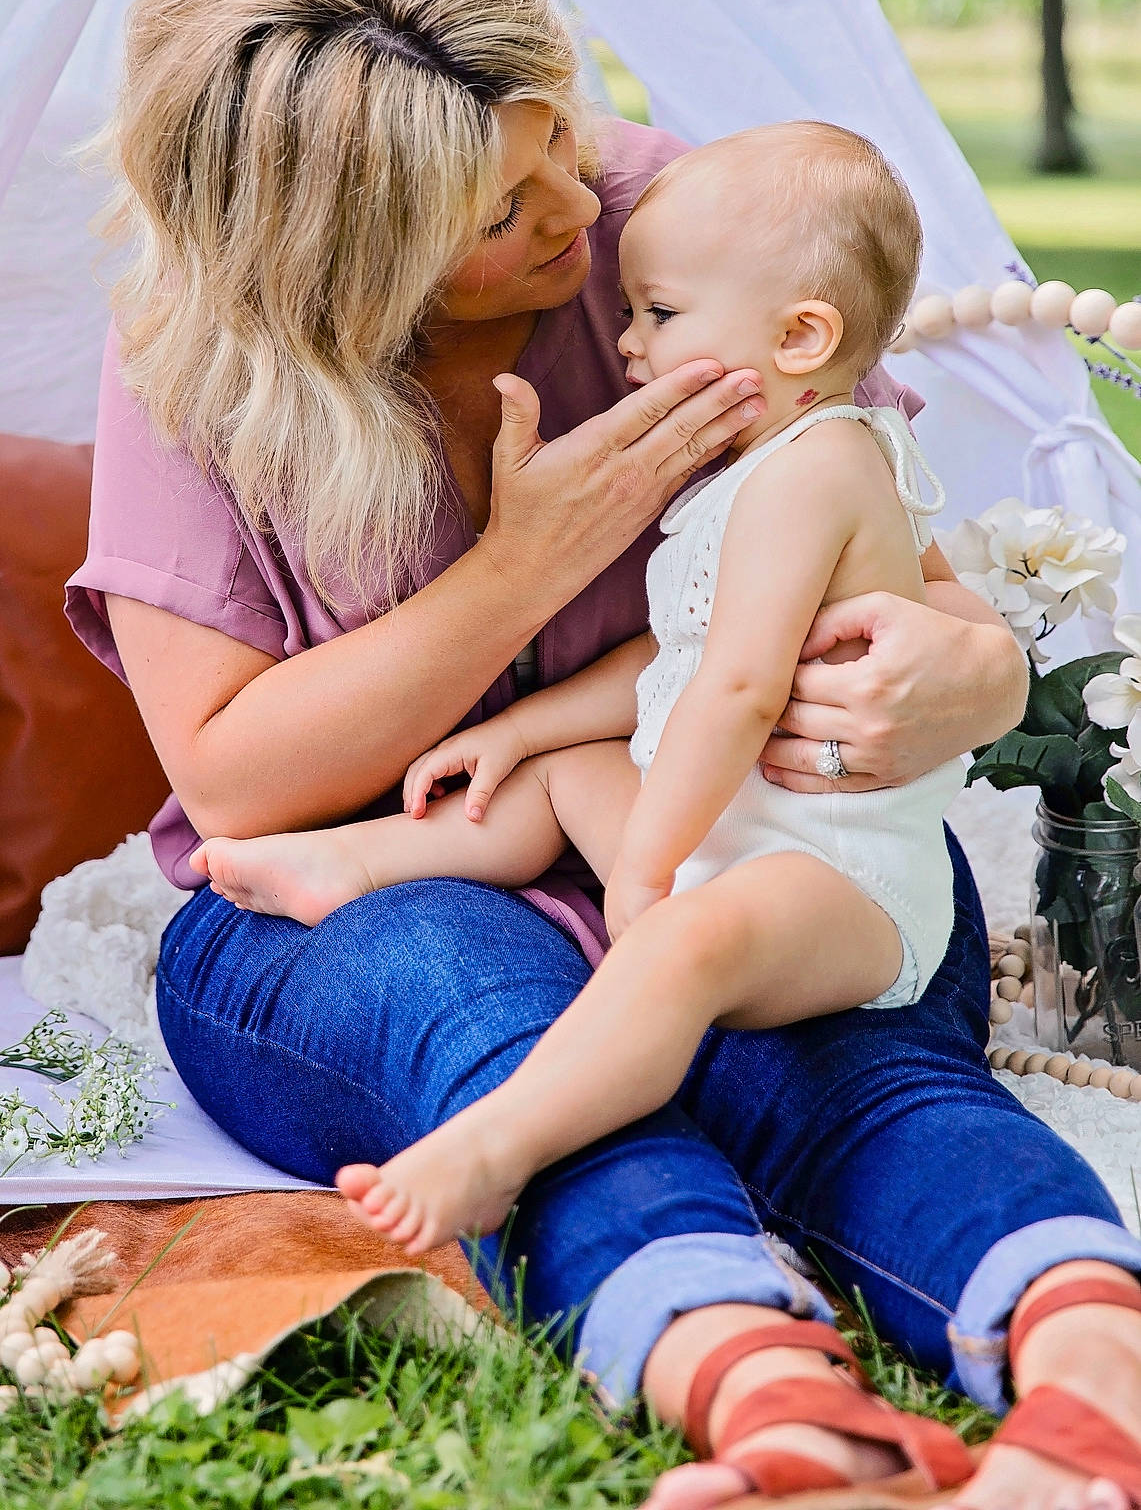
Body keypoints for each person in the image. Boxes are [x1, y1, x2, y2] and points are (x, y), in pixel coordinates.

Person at [67, 0, 1141, 1510]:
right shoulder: (198, 361)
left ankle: (1091, 1385)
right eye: (511, 206)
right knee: (505, 1044)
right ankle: (773, 1405)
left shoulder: (676, 229)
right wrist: (518, 568)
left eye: (562, 128)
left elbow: (887, 539)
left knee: (859, 1071)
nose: (581, 196)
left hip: (733, 846)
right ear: (350, 269)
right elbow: (233, 790)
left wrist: (970, 668)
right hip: (375, 889)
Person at [193, 119, 970, 1269]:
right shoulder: (755, 465)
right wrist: (518, 727)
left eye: (659, 313)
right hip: (739, 835)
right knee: (554, 775)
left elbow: (740, 688)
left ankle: (500, 1146)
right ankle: (349, 862)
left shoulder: (820, 468)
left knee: (678, 947)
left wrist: (647, 868)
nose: (625, 333)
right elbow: (675, 654)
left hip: (833, 875)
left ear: (802, 334)